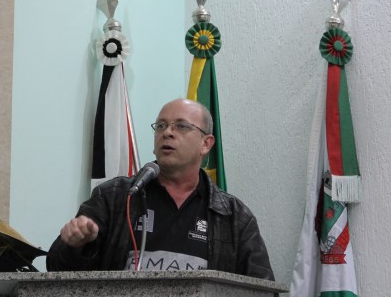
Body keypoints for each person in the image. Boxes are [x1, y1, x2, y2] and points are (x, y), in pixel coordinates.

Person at [47, 98, 275, 282]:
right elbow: (57, 270)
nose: (167, 132)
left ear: (206, 144)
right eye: (161, 126)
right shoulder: (115, 198)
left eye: (182, 126)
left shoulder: (234, 217)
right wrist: (75, 246)